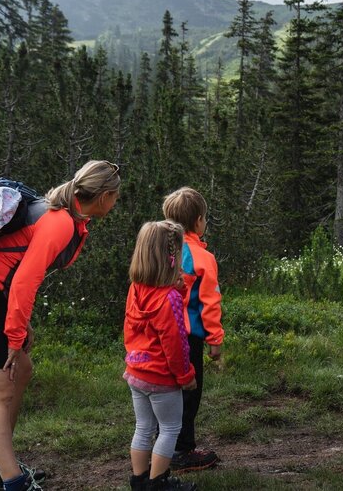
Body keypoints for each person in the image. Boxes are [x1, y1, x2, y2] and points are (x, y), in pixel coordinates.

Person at [0, 160, 121, 491]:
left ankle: (0, 467)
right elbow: (26, 280)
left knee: (21, 370)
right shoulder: (61, 222)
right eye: (116, 197)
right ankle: (11, 483)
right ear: (105, 195)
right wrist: (14, 335)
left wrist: (20, 326)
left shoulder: (64, 215)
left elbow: (17, 271)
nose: (115, 203)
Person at [124, 220, 199, 491]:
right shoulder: (168, 299)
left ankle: (140, 480)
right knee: (169, 429)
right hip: (162, 378)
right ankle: (158, 482)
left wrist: (178, 289)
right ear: (172, 257)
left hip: (136, 371)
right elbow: (176, 343)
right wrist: (185, 375)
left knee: (143, 427)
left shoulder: (136, 288)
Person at [161, 187, 223, 472]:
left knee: (165, 389)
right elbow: (210, 302)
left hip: (160, 333)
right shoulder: (202, 258)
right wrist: (216, 340)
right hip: (189, 336)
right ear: (199, 220)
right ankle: (182, 450)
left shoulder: (161, 249)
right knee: (189, 390)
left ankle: (163, 443)